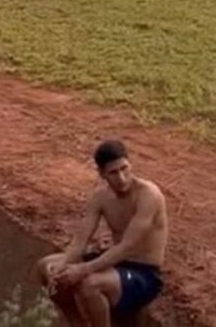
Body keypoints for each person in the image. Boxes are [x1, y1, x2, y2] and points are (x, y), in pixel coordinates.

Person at [35, 140, 167, 327]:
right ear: (102, 174)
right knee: (46, 266)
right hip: (114, 264)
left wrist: (82, 270)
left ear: (130, 164)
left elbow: (127, 247)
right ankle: (76, 323)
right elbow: (80, 241)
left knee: (89, 284)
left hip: (142, 273)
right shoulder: (100, 198)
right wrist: (64, 267)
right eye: (113, 173)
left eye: (124, 169)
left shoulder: (148, 195)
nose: (121, 178)